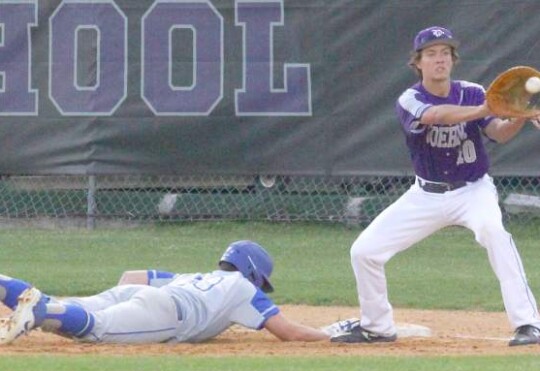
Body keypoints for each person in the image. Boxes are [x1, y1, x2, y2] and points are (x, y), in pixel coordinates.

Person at [331, 26, 540, 346]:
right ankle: (378, 327)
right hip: (426, 195)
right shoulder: (410, 99)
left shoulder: (472, 91)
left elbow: (497, 132)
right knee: (365, 252)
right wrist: (486, 108)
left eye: (445, 53)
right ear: (418, 62)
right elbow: (437, 116)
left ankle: (529, 325)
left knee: (494, 233)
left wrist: (519, 117)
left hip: (473, 190)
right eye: (431, 54)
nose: (439, 59)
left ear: (453, 59)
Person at [0, 240, 356, 344]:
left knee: (68, 304)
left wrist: (133, 301)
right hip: (168, 311)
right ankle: (41, 314)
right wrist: (327, 336)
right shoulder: (244, 289)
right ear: (253, 274)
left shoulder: (192, 275)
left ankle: (20, 294)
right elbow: (289, 333)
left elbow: (130, 277)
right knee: (95, 326)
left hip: (154, 293)